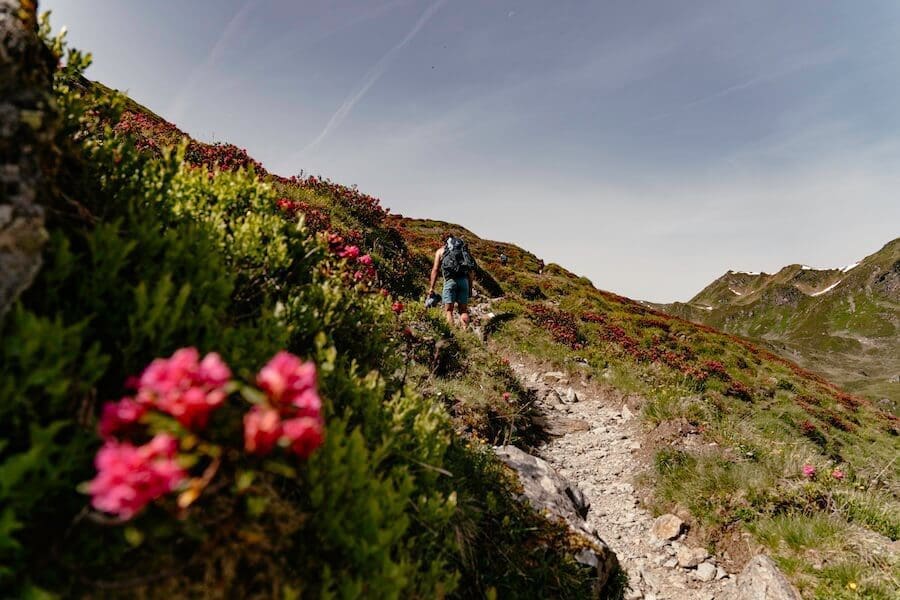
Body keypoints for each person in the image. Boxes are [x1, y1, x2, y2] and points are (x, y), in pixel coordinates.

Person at [429, 232, 476, 328]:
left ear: (444, 241)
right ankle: (465, 332)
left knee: (449, 310)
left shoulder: (440, 251)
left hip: (450, 281)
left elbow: (435, 270)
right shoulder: (463, 252)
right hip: (464, 281)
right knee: (463, 310)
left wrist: (431, 287)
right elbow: (470, 271)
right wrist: (470, 287)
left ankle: (452, 332)